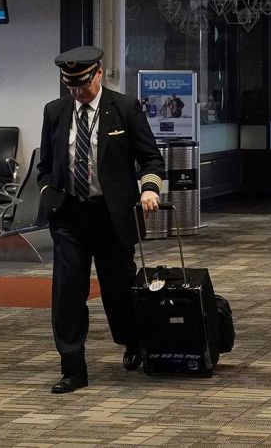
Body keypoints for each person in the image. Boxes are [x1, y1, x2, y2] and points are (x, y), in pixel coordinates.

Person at [36, 46, 164, 394]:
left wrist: (149, 190)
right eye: (71, 87)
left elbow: (151, 159)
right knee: (67, 293)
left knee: (118, 290)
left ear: (99, 74)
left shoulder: (124, 109)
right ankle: (72, 367)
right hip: (70, 215)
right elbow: (45, 166)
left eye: (83, 85)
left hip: (112, 216)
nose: (78, 93)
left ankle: (132, 342)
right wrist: (49, 193)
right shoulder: (55, 112)